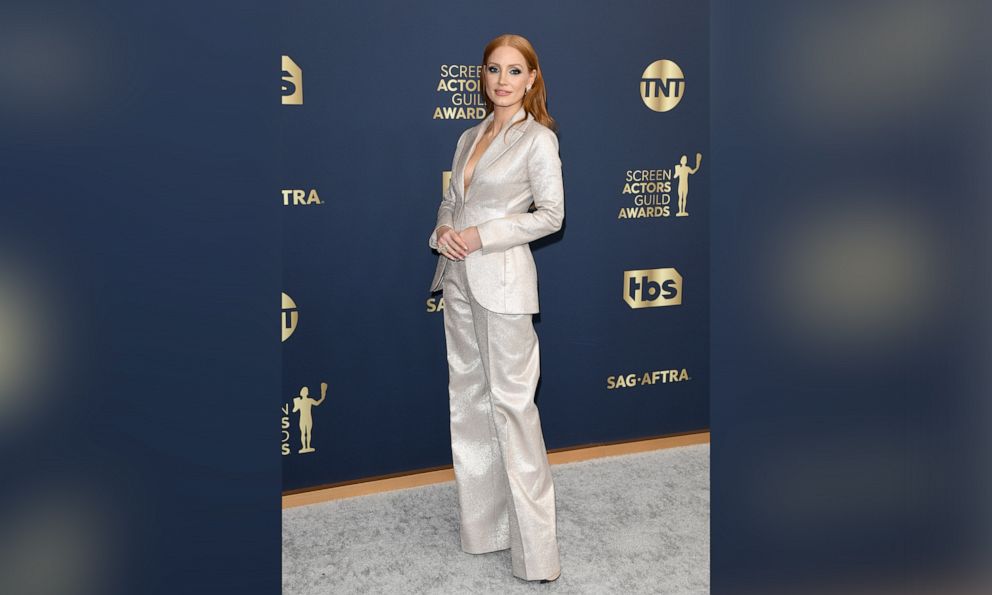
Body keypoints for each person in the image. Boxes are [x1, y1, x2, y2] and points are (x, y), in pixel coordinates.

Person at [427, 33, 564, 583]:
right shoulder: (468, 136)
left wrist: (483, 235)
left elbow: (551, 215)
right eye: (492, 70)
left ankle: (538, 556)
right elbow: (451, 200)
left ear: (531, 79)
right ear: (482, 78)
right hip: (457, 278)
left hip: (503, 284)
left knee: (513, 410)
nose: (502, 80)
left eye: (514, 71)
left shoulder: (538, 141)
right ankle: (485, 532)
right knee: (468, 403)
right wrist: (443, 229)